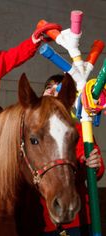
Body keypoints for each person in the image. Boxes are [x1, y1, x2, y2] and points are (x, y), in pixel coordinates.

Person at [39, 74, 105, 236]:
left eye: (59, 89)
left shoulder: (80, 130)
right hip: (39, 219)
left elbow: (98, 169)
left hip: (76, 218)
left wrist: (92, 165)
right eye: (49, 87)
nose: (52, 91)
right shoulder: (30, 129)